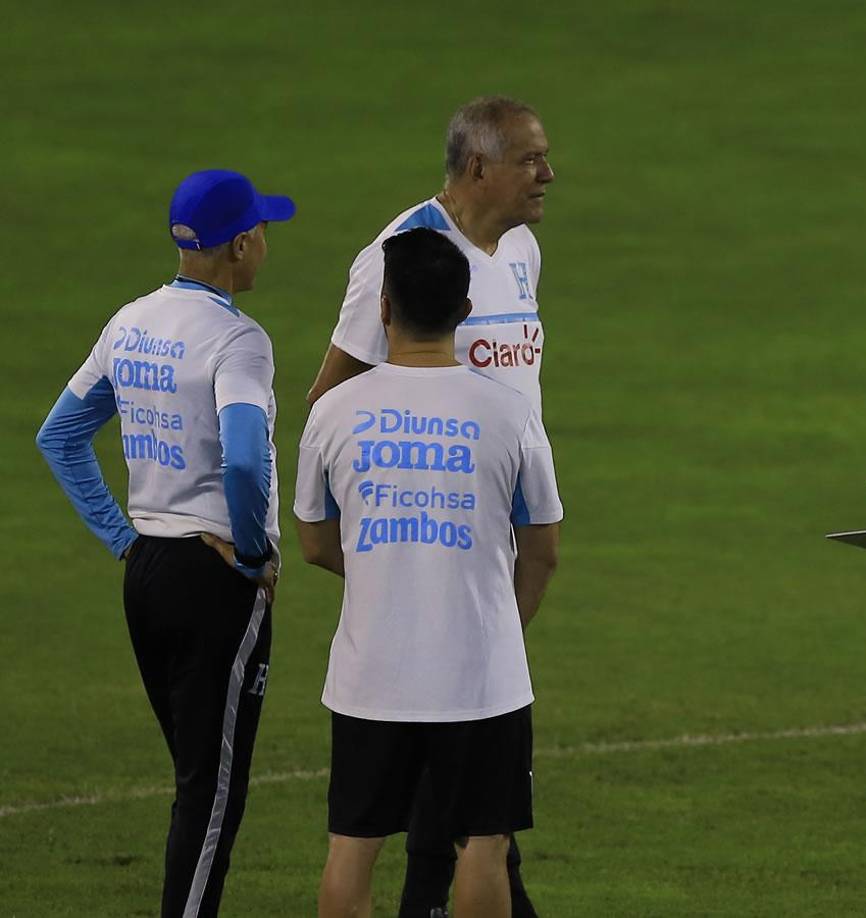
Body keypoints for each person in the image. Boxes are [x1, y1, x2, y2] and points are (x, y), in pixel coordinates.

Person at [306, 94, 555, 918]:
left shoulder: (520, 250)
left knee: (454, 823)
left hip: (492, 564)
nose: (548, 175)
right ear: (478, 166)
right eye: (531, 160)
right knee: (475, 824)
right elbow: (332, 401)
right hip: (438, 565)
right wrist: (394, 566)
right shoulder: (401, 253)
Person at [35, 169, 294, 917]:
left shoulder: (131, 323)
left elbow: (61, 436)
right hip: (213, 579)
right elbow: (244, 459)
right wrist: (252, 556)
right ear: (241, 243)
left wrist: (123, 537)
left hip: (146, 571)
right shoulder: (239, 341)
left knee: (195, 784)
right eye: (263, 231)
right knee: (212, 797)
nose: (267, 243)